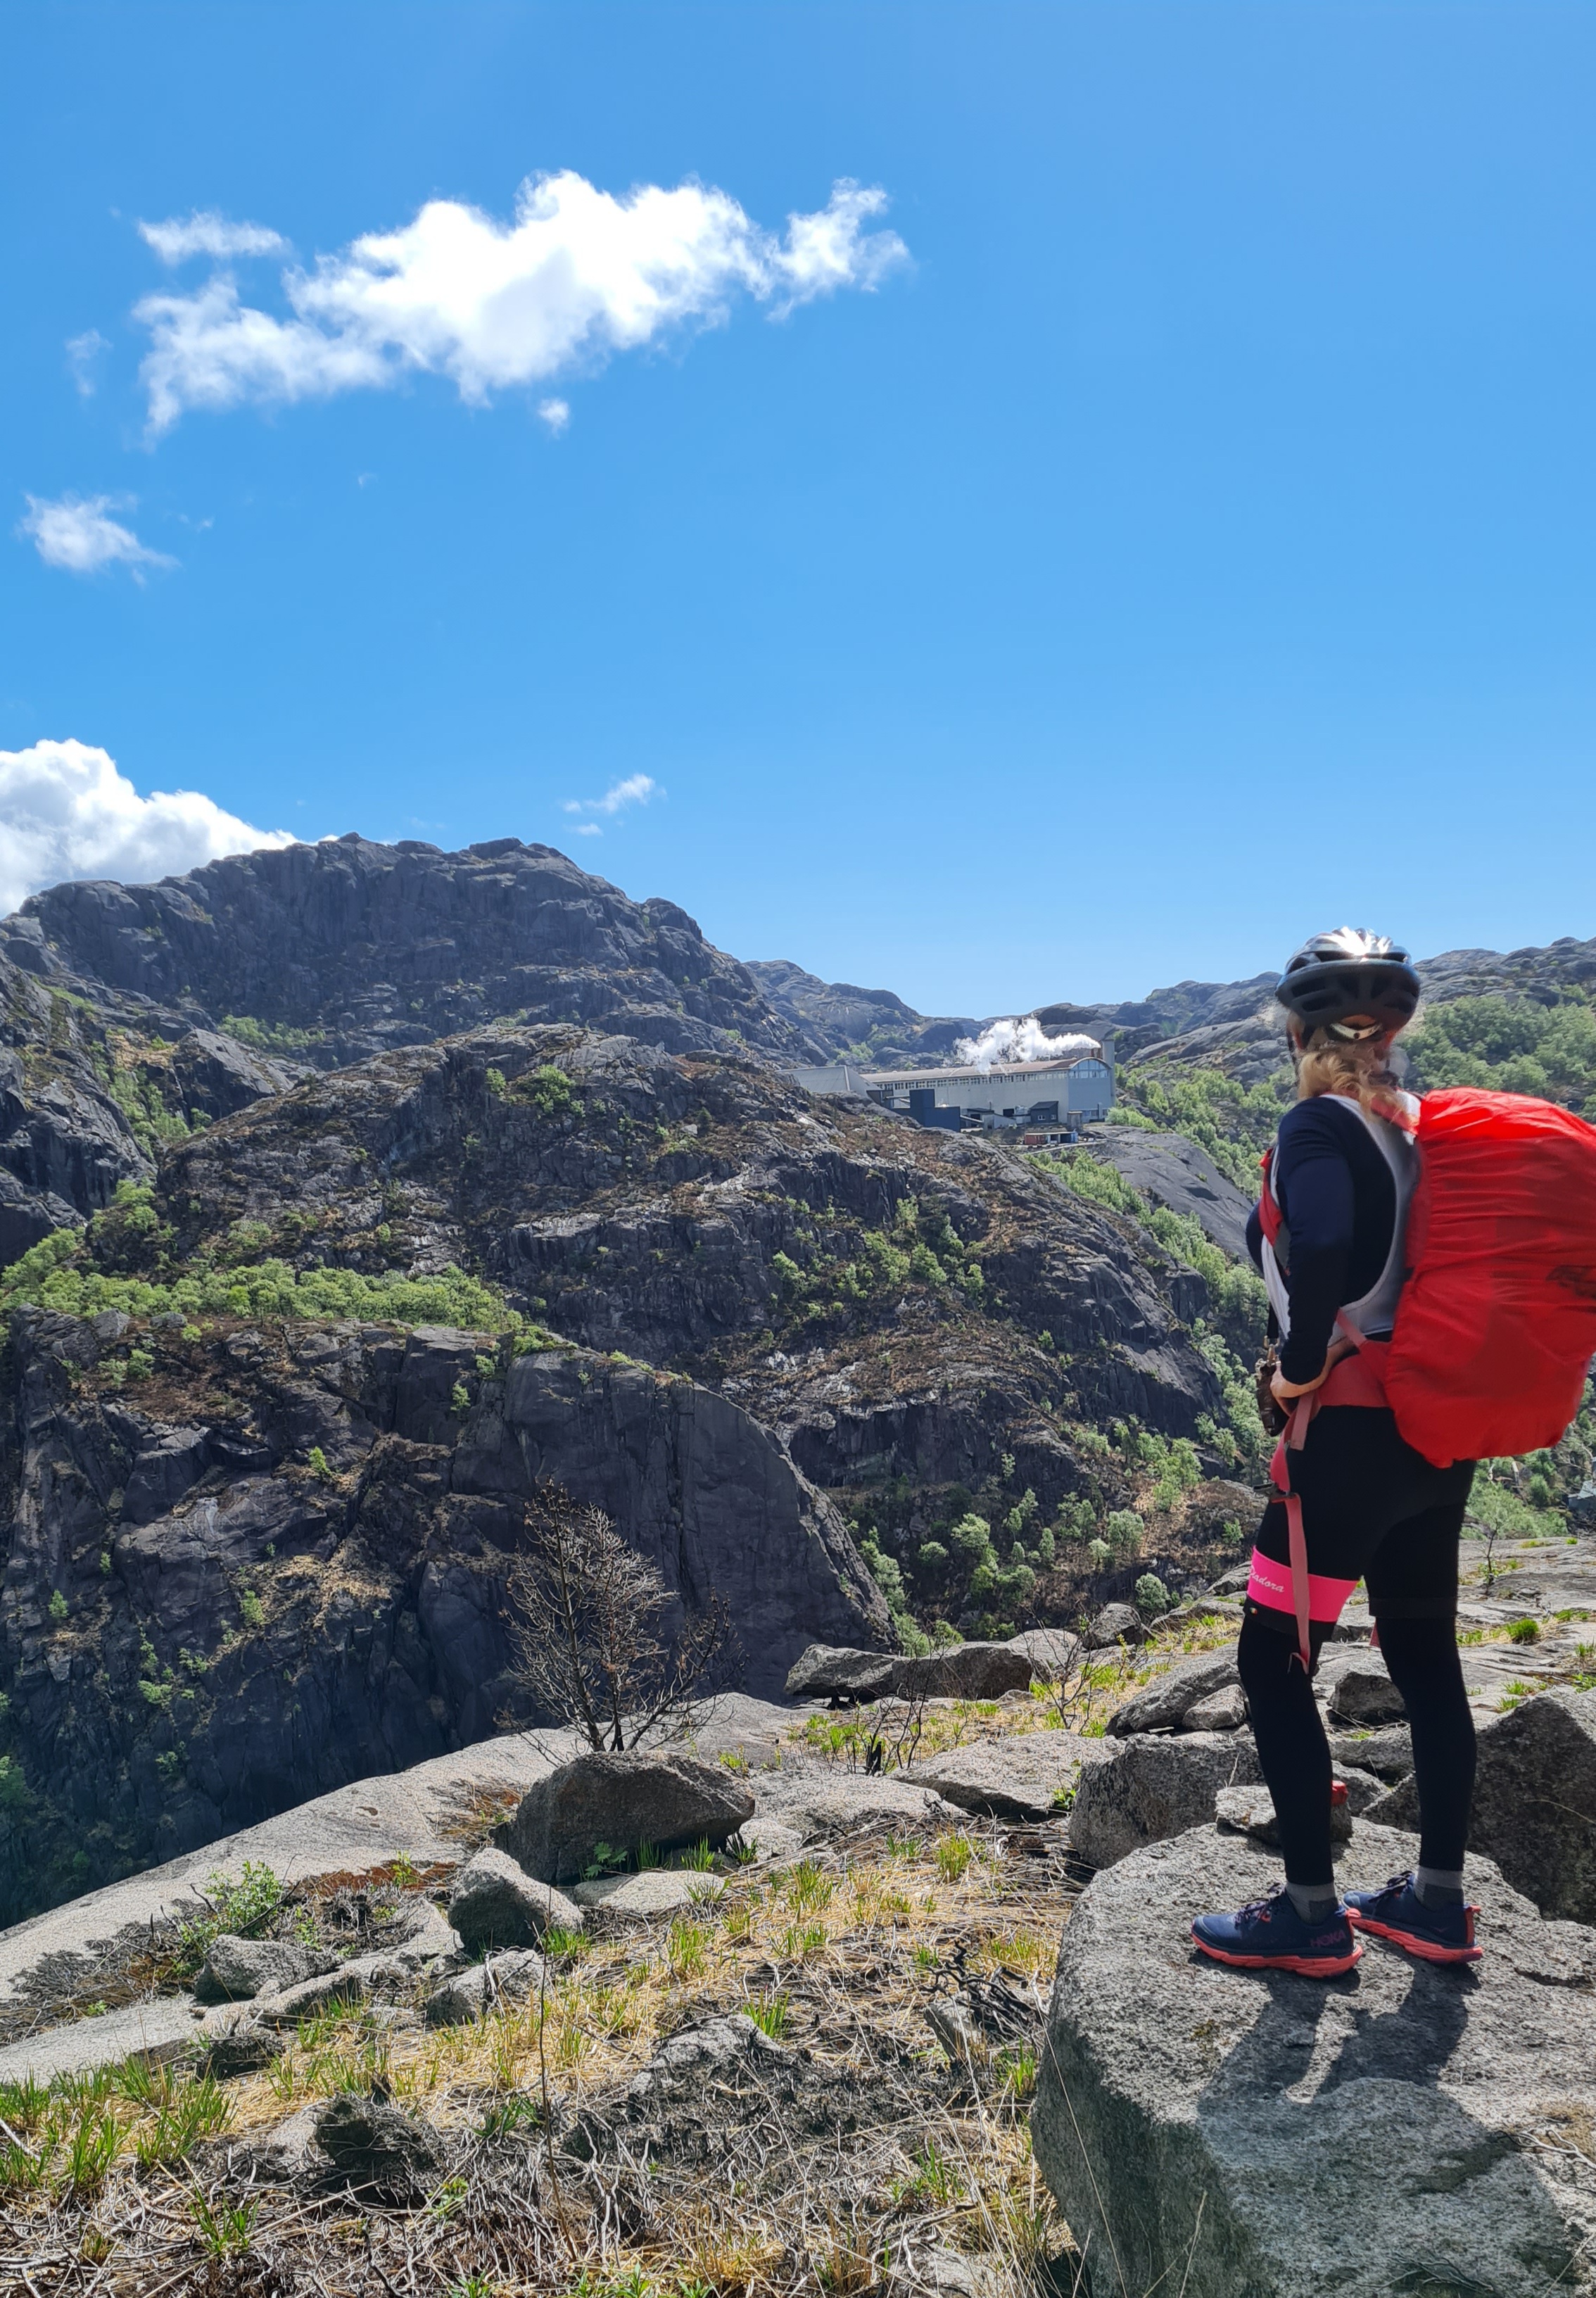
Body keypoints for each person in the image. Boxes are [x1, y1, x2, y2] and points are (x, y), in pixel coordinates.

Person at [1190, 928, 1483, 1976]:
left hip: (1347, 1438)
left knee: (1270, 1661)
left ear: (1299, 1033)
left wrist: (1296, 1367)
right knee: (1425, 1657)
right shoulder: (1416, 1135)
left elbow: (1314, 1246)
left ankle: (1311, 1913)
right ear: (1391, 1036)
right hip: (1435, 1442)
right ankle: (1438, 1905)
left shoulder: (1315, 1124)